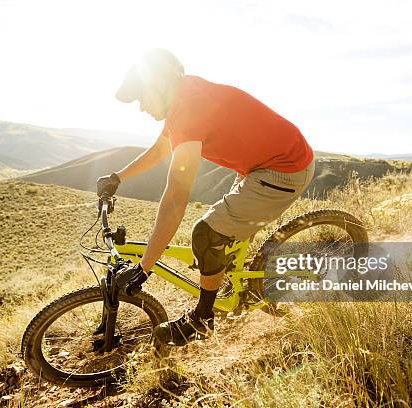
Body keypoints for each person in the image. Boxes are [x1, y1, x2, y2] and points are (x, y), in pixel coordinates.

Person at [97, 48, 315, 346]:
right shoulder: (183, 95)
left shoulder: (188, 107)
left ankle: (203, 318)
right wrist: (118, 177)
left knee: (206, 233)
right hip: (264, 163)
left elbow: (175, 198)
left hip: (284, 170)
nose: (141, 107)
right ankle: (242, 284)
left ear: (159, 84)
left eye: (140, 96)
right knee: (223, 228)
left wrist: (144, 267)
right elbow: (161, 149)